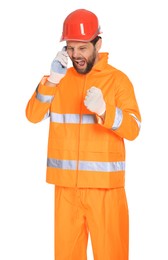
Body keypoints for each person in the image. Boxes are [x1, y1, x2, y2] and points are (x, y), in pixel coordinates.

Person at [26, 8, 141, 260]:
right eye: (70, 48)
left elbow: (133, 129)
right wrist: (52, 81)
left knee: (112, 255)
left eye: (82, 48)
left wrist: (105, 110)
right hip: (66, 189)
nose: (75, 55)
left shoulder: (118, 81)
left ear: (98, 43)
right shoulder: (58, 80)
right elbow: (33, 115)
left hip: (106, 192)